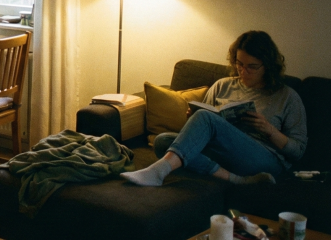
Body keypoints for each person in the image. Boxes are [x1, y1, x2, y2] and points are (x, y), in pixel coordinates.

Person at [122, 31, 307, 187]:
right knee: (163, 141)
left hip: (263, 159)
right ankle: (236, 180)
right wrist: (192, 120)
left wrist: (269, 130)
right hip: (222, 155)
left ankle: (158, 172)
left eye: (252, 67)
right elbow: (205, 122)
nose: (243, 71)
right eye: (239, 64)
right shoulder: (222, 85)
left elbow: (298, 151)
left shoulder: (287, 96)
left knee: (204, 119)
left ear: (267, 65)